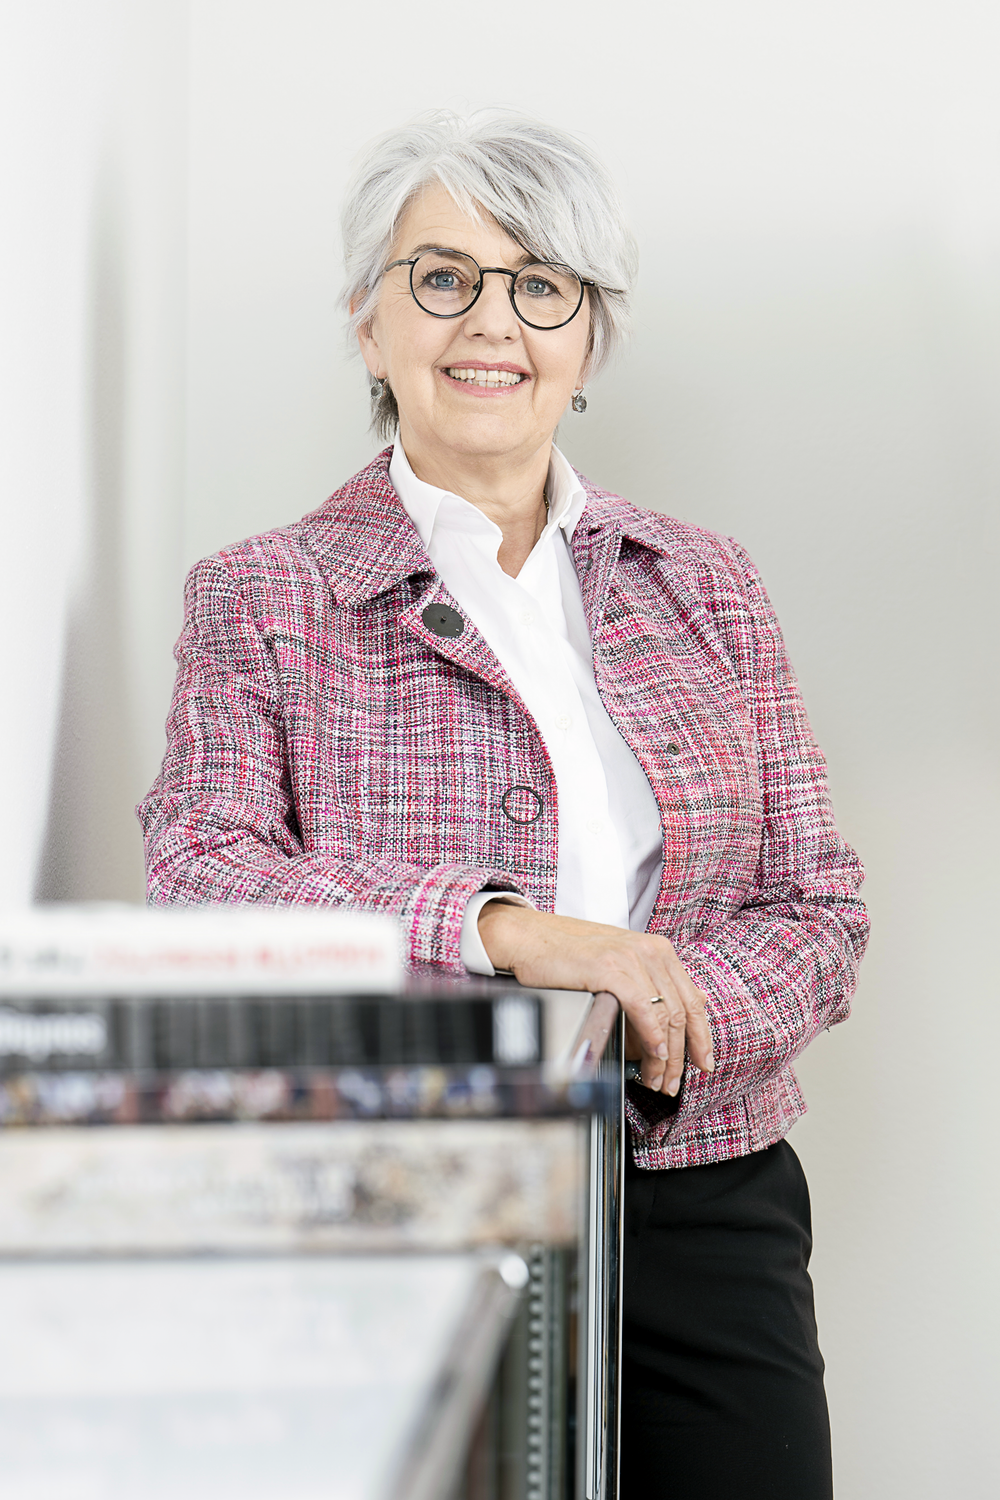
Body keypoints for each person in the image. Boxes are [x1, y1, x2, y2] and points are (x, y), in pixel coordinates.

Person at [138, 111, 868, 1498]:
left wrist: (661, 1015)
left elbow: (819, 903)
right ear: (369, 320)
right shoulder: (263, 596)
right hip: (408, 1201)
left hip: (705, 1196)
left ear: (587, 338)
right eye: (444, 276)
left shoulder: (706, 583)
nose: (494, 322)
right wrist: (509, 934)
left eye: (542, 285)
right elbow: (203, 870)